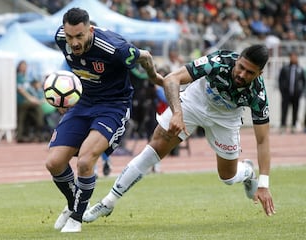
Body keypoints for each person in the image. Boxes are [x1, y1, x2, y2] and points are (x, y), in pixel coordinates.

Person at [83, 44, 276, 224]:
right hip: (195, 102)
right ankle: (108, 202)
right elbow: (172, 79)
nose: (242, 74)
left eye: (249, 72)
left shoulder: (258, 94)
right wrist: (177, 113)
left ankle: (247, 171)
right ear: (238, 59)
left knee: (227, 177)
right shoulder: (218, 61)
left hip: (226, 119)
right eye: (240, 67)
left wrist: (264, 183)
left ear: (259, 73)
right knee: (155, 147)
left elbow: (263, 140)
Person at [45, 7, 163, 233]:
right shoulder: (61, 38)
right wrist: (65, 99)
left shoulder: (115, 48)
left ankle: (76, 219)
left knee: (85, 161)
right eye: (70, 36)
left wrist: (154, 77)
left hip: (113, 105)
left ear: (90, 30)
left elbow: (145, 56)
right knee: (54, 163)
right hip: (83, 102)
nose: (74, 42)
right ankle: (75, 204)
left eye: (79, 36)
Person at [16, 60, 44, 143]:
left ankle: (28, 135)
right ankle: (22, 136)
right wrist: (31, 99)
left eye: (25, 66)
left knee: (25, 118)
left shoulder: (25, 77)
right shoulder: (19, 76)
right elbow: (21, 89)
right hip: (23, 101)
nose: (24, 68)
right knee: (22, 118)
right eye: (22, 66)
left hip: (28, 102)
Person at [278, 51, 306, 134]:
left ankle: (293, 126)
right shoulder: (285, 68)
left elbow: (304, 82)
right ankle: (283, 126)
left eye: (295, 57)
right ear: (289, 58)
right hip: (286, 94)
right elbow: (280, 80)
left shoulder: (300, 69)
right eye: (292, 57)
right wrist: (282, 90)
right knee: (284, 110)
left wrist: (301, 92)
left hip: (296, 95)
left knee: (295, 110)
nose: (293, 58)